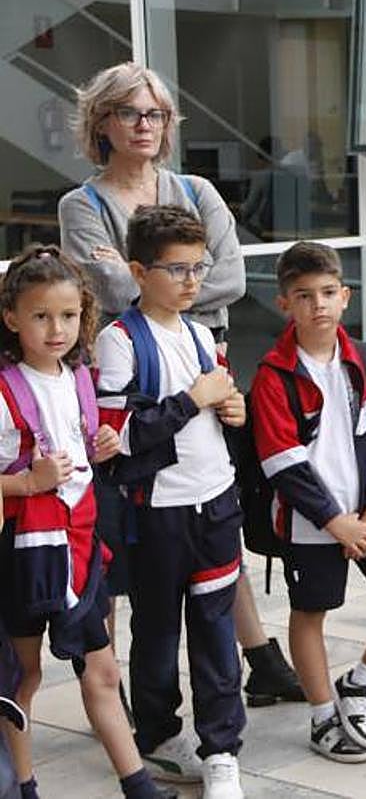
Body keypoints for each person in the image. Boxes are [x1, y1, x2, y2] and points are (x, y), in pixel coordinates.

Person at [57, 62, 302, 711]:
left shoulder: (194, 190)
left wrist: (156, 283)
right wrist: (170, 285)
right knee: (122, 529)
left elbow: (235, 280)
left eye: (157, 113)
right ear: (102, 121)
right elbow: (107, 294)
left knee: (213, 509)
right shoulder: (81, 206)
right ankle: (110, 687)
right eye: (132, 112)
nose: (146, 125)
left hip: (207, 375)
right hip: (127, 385)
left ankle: (261, 660)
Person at [251, 242, 366, 763]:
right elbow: (281, 464)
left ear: (346, 297)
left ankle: (361, 684)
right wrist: (337, 524)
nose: (319, 305)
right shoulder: (273, 375)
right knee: (311, 613)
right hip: (313, 524)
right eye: (305, 296)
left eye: (329, 293)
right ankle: (320, 716)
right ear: (285, 303)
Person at [0, 246, 174, 799]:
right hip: (25, 551)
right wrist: (27, 482)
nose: (57, 329)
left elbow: (79, 449)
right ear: (11, 318)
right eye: (41, 316)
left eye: (69, 316)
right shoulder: (4, 390)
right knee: (21, 678)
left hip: (80, 543)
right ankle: (23, 784)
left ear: (85, 316)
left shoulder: (79, 378)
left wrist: (101, 443)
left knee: (101, 670)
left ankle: (137, 785)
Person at [95, 206, 248, 798]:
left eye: (198, 267)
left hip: (216, 502)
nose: (191, 281)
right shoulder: (119, 341)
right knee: (157, 630)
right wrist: (192, 398)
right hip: (155, 514)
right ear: (138, 271)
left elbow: (217, 406)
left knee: (214, 629)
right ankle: (158, 737)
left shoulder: (201, 333)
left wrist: (231, 408)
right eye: (176, 269)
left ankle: (221, 751)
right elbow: (118, 439)